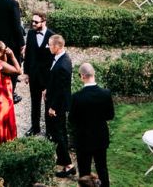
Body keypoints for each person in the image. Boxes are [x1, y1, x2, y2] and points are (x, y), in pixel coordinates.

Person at [69, 62, 114, 187]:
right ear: (93, 74)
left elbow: (72, 119)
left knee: (84, 171)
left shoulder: (77, 97)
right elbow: (110, 115)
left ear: (82, 76)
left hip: (83, 139)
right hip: (100, 137)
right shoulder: (105, 93)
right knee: (102, 168)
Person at [23, 10, 55, 136]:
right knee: (34, 102)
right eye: (32, 21)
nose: (33, 24)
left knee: (48, 103)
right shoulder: (30, 34)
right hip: (34, 75)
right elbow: (28, 55)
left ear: (44, 22)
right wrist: (26, 73)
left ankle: (49, 131)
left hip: (47, 77)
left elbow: (53, 59)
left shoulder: (52, 36)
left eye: (36, 22)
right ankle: (35, 127)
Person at [46, 34, 74, 178]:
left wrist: (53, 107)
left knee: (58, 133)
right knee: (59, 132)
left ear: (57, 46)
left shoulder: (63, 64)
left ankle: (68, 165)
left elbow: (61, 89)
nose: (48, 47)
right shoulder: (60, 58)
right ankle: (63, 160)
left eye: (50, 45)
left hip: (58, 105)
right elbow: (55, 82)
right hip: (55, 101)